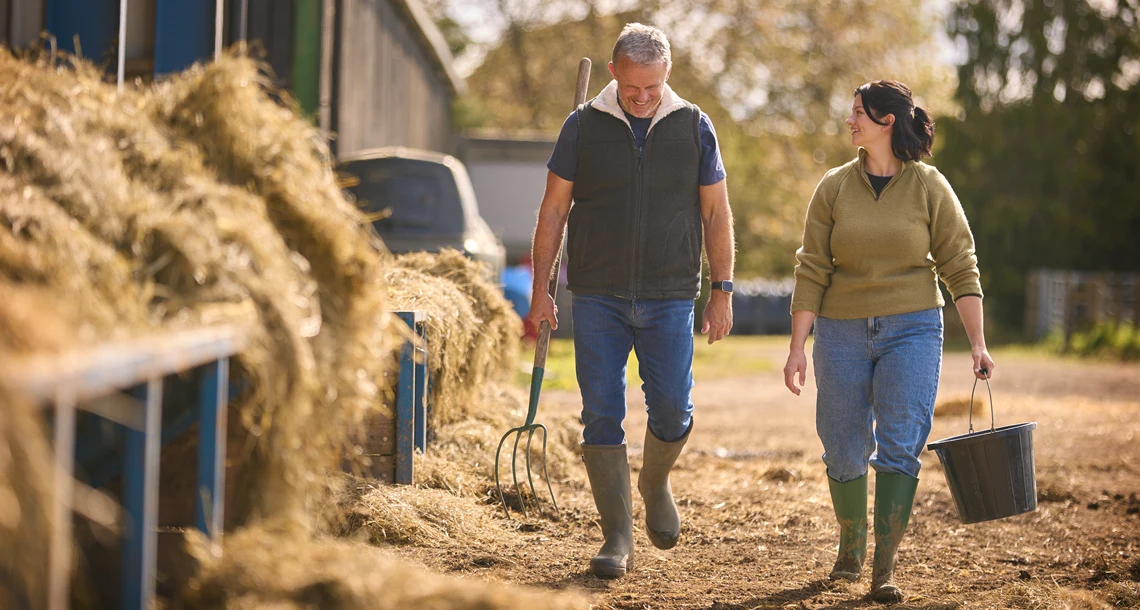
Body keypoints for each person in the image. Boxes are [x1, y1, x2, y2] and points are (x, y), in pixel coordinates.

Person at [527, 23, 735, 579]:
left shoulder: (694, 126)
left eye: (652, 87)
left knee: (672, 409)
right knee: (601, 412)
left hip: (670, 295)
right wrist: (541, 290)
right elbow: (553, 209)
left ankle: (654, 480)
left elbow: (716, 211)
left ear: (667, 74)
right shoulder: (581, 127)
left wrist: (722, 289)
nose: (642, 98)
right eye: (631, 87)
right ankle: (617, 535)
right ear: (612, 72)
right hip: (597, 294)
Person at [783, 80, 995, 603]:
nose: (850, 120)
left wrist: (978, 343)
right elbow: (811, 268)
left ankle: (884, 566)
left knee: (901, 444)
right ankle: (850, 547)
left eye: (859, 112)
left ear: (887, 121)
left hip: (914, 327)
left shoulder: (929, 185)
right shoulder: (834, 186)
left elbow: (959, 263)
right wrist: (797, 347)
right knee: (842, 446)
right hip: (841, 328)